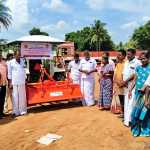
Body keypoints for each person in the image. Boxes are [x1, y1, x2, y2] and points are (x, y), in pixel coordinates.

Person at [128, 51, 150, 136]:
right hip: (138, 93)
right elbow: (134, 80)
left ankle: (145, 130)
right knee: (135, 113)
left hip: (147, 94)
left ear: (148, 59)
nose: (142, 60)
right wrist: (130, 90)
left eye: (144, 58)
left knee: (145, 113)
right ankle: (136, 129)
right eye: (141, 59)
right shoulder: (138, 68)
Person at [121, 48, 141, 127]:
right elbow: (123, 73)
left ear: (134, 54)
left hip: (133, 85)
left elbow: (135, 75)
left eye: (129, 54)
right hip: (125, 85)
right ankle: (126, 120)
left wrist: (125, 81)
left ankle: (130, 121)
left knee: (131, 103)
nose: (127, 56)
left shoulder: (137, 63)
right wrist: (123, 82)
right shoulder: (126, 62)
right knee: (126, 102)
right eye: (127, 54)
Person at [8, 50, 27, 117]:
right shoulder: (11, 62)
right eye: (17, 55)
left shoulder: (22, 61)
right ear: (14, 55)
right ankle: (15, 112)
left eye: (19, 55)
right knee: (15, 97)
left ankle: (22, 111)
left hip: (22, 81)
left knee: (22, 97)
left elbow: (24, 70)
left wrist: (25, 79)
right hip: (14, 82)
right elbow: (9, 73)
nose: (18, 56)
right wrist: (10, 83)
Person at [111, 50, 126, 114]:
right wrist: (116, 82)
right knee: (120, 99)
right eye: (117, 55)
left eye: (120, 55)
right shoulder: (118, 64)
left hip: (124, 85)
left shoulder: (126, 64)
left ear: (124, 56)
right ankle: (122, 112)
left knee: (125, 100)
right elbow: (115, 75)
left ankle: (125, 114)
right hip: (118, 85)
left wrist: (122, 83)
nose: (118, 56)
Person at [0, 51, 7, 119]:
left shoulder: (4, 63)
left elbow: (6, 72)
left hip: (4, 84)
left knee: (2, 99)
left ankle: (1, 113)